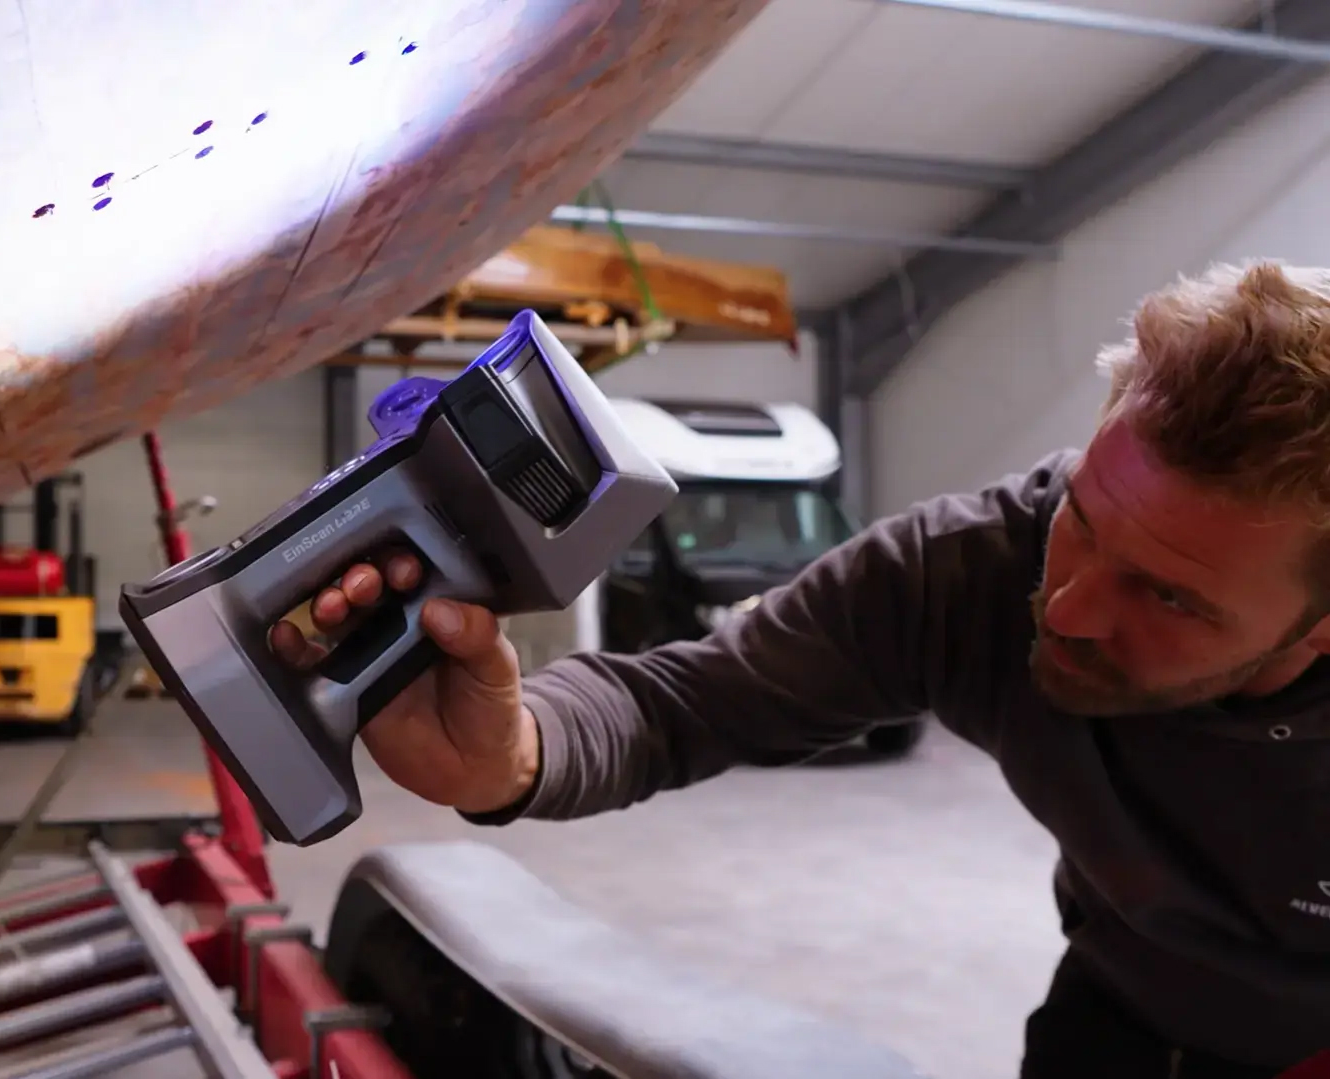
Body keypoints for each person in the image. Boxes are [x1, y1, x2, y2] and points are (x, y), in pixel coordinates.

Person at [270, 260, 1330, 1078]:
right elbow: (690, 697)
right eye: (1084, 519)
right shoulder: (974, 570)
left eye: (1169, 597)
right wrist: (514, 748)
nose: (1067, 606)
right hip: (1114, 1019)